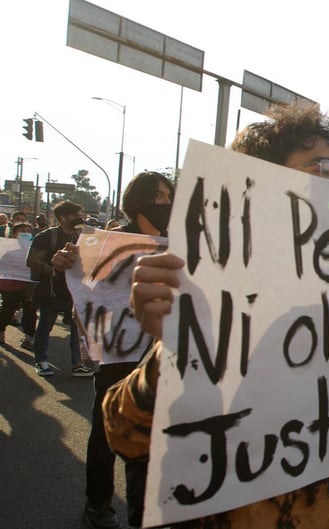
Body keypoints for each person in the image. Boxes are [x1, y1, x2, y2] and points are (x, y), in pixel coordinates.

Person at [102, 103, 329, 529]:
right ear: (255, 188)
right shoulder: (207, 294)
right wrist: (177, 349)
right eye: (323, 171)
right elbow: (125, 434)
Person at [51, 172, 175, 529]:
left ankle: (150, 508)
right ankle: (98, 504)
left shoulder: (180, 242)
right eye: (158, 196)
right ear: (137, 202)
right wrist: (62, 267)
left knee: (157, 432)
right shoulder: (106, 243)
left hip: (164, 355)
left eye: (168, 196)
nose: (165, 203)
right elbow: (71, 293)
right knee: (106, 431)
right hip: (118, 354)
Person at [25, 200, 93, 377]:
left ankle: (78, 363)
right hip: (50, 289)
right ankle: (41, 361)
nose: (80, 218)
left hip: (75, 291)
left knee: (77, 329)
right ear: (63, 217)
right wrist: (57, 270)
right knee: (45, 325)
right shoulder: (46, 236)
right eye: (75, 215)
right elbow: (31, 260)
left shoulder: (82, 237)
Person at [0, 222, 37, 347]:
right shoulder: (7, 250)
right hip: (10, 285)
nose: (26, 233)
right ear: (15, 234)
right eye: (22, 231)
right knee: (8, 309)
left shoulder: (35, 248)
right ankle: (1, 330)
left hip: (29, 285)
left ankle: (29, 338)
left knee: (30, 311)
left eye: (28, 230)